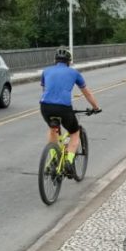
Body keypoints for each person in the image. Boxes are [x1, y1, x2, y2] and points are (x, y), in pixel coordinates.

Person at [40, 47, 101, 176]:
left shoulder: (46, 71)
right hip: (63, 108)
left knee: (53, 129)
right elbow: (87, 93)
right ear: (69, 61)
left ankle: (53, 158)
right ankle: (68, 160)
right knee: (74, 132)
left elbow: (45, 91)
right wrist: (96, 107)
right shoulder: (74, 73)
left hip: (45, 106)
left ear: (55, 60)